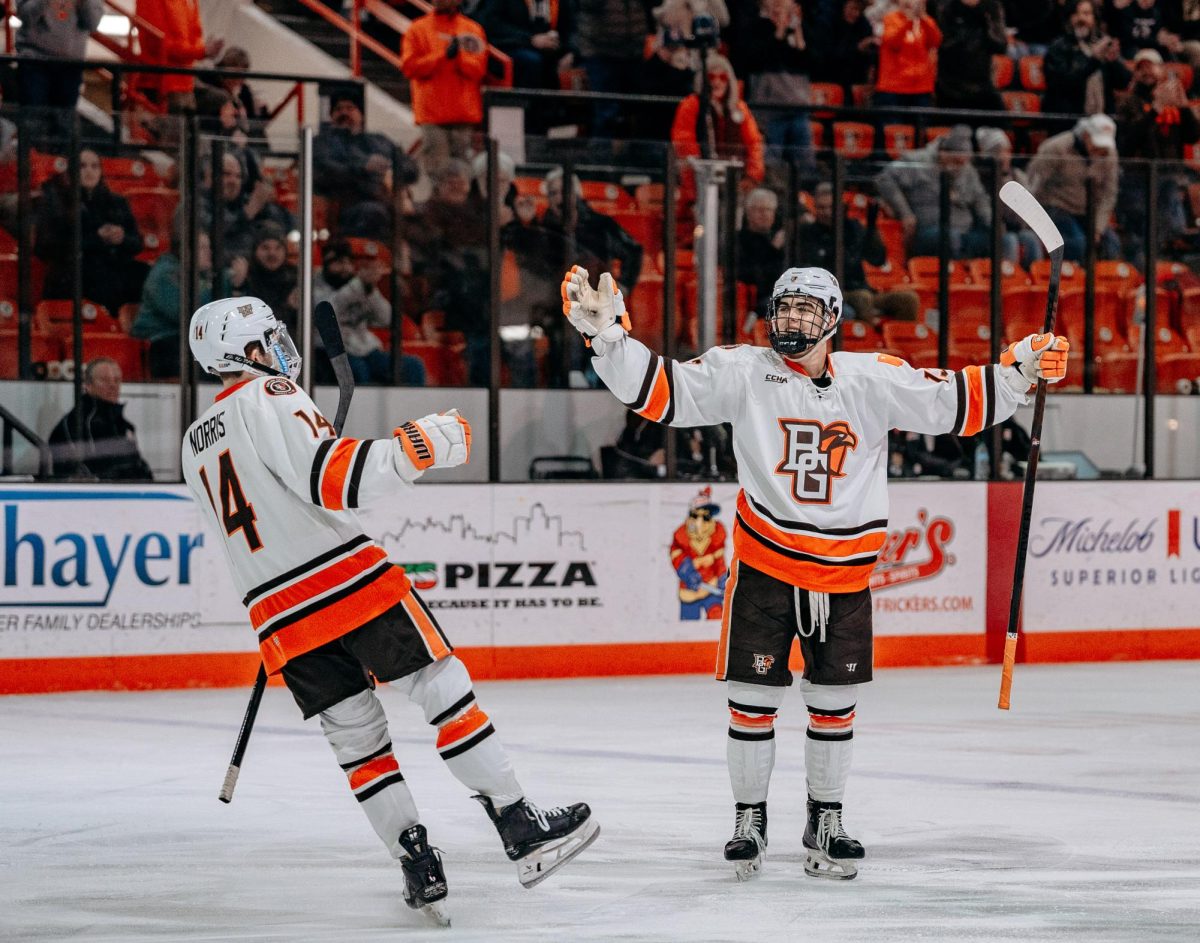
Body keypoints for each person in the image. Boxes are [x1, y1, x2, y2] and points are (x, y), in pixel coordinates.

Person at [561, 261, 1069, 882]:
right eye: (785, 309)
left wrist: (1019, 371)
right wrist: (609, 340)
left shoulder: (872, 378)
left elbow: (950, 404)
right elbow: (661, 392)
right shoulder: (742, 371)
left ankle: (824, 817)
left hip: (846, 578)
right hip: (765, 568)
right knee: (750, 703)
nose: (793, 321)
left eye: (807, 311)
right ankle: (749, 820)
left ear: (833, 321)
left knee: (833, 705)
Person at [180, 297, 597, 925]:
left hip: (280, 617)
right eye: (270, 337)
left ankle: (416, 862)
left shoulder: (192, 442)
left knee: (358, 743)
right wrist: (420, 444)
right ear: (250, 351)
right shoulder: (272, 393)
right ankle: (519, 824)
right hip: (350, 585)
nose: (281, 347)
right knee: (442, 689)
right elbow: (333, 478)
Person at [34, 148, 148, 317]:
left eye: (95, 166)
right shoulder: (57, 202)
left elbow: (136, 243)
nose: (89, 171)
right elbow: (46, 247)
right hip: (73, 273)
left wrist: (122, 238)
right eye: (82, 166)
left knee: (144, 273)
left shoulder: (117, 202)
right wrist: (97, 238)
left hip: (111, 270)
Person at [1115, 48, 1199, 260]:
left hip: (1169, 175)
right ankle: (1145, 273)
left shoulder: (1173, 101)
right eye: (1141, 68)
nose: (1147, 72)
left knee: (1172, 227)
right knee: (1143, 234)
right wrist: (1154, 110)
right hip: (1136, 179)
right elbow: (1126, 143)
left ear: (1161, 69)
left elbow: (1193, 136)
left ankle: (1166, 271)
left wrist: (1185, 107)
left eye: (1151, 66)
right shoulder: (1128, 102)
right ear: (1135, 73)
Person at [798, 183, 920, 325]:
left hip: (863, 289)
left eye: (831, 207)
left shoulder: (853, 228)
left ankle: (900, 344)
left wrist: (872, 229)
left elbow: (877, 259)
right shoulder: (807, 233)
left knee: (909, 299)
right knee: (863, 298)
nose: (826, 212)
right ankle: (868, 340)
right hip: (833, 293)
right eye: (821, 208)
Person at [311, 239, 426, 386]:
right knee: (357, 370)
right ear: (326, 264)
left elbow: (388, 319)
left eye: (348, 263)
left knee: (413, 366)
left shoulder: (359, 286)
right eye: (338, 263)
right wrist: (357, 285)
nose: (345, 268)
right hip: (329, 352)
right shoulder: (314, 285)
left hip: (364, 349)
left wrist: (371, 291)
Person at [312, 85, 415, 240]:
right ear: (332, 115)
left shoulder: (380, 141)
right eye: (338, 109)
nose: (344, 113)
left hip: (385, 201)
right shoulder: (322, 142)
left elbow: (411, 168)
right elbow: (323, 169)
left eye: (350, 108)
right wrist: (362, 167)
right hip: (343, 205)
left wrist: (393, 171)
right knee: (374, 213)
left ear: (361, 114)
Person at [875, 124, 992, 259]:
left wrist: (992, 223)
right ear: (943, 152)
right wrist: (905, 213)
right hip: (927, 230)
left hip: (965, 231)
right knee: (950, 238)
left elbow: (980, 199)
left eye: (963, 162)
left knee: (1003, 239)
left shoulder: (968, 169)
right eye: (956, 161)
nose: (959, 166)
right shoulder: (917, 162)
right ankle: (956, 277)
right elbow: (884, 179)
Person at [400, 0, 489, 174]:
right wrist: (443, 56)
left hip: (464, 115)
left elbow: (478, 71)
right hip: (432, 114)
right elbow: (410, 67)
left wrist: (459, 57)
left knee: (464, 173)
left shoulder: (472, 29)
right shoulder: (417, 29)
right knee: (438, 172)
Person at [670, 54, 766, 200]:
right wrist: (698, 174)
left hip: (736, 180)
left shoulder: (739, 107)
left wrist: (752, 176)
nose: (717, 82)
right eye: (711, 77)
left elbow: (754, 142)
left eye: (722, 77)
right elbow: (683, 140)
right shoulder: (691, 105)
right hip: (700, 180)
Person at [1027, 113, 1120, 262]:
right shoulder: (1056, 148)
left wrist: (1098, 227)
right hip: (1056, 207)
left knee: (1111, 244)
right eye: (1097, 144)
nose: (1100, 150)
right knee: (1077, 243)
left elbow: (1109, 194)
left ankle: (1099, 283)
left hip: (1088, 211)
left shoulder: (1110, 155)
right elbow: (1034, 183)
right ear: (1085, 135)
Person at [132, 230, 222, 379]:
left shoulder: (203, 276)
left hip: (186, 338)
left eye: (209, 247)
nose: (209, 252)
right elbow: (185, 314)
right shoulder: (165, 275)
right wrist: (217, 284)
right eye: (202, 247)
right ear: (185, 251)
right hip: (161, 339)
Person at [48, 357, 154, 481]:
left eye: (117, 380)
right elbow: (79, 474)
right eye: (104, 380)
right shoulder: (76, 423)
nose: (113, 385)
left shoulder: (124, 425)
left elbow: (138, 466)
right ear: (88, 385)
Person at [133, 0, 224, 141]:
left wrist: (200, 51)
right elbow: (158, 43)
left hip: (184, 83)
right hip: (162, 84)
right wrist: (201, 51)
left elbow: (195, 34)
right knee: (173, 144)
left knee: (185, 143)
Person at [15, 0, 103, 141]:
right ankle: (32, 159)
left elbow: (93, 23)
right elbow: (25, 15)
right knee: (33, 123)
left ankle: (61, 160)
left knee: (64, 127)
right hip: (35, 62)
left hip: (70, 65)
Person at [1042, 0, 1131, 116]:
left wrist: (1114, 62)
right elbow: (1062, 84)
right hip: (1069, 119)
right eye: (1076, 14)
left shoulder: (1103, 44)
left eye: (1087, 14)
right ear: (1069, 19)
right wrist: (1093, 61)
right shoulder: (1058, 48)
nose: (1081, 19)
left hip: (1103, 119)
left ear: (1095, 19)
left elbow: (1123, 82)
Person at [974, 126, 1045, 264]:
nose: (1005, 157)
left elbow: (1023, 218)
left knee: (1030, 238)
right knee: (1009, 240)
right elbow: (983, 214)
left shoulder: (1017, 176)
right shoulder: (978, 177)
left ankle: (1034, 283)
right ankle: (1007, 281)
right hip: (986, 230)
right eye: (999, 152)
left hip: (1014, 227)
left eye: (1007, 151)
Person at [934, 0, 1008, 112]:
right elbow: (943, 44)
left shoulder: (991, 6)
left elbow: (1000, 45)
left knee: (999, 126)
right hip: (949, 88)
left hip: (982, 86)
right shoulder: (944, 6)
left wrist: (986, 23)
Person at [874, 0, 942, 109]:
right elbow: (893, 43)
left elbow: (936, 41)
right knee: (893, 126)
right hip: (893, 87)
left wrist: (923, 18)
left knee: (921, 125)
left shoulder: (926, 21)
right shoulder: (890, 19)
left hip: (921, 87)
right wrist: (908, 22)